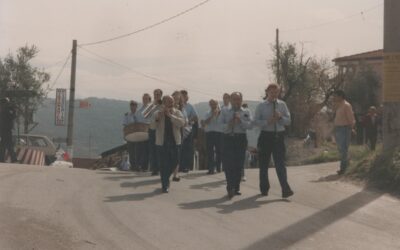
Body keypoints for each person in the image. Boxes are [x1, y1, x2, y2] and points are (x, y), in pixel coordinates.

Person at [254, 83, 293, 198]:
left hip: (278, 136)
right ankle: (264, 188)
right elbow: (256, 121)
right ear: (267, 92)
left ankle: (285, 189)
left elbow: (289, 121)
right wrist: (267, 122)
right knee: (264, 164)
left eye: (276, 92)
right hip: (266, 136)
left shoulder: (282, 104)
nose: (274, 94)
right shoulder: (261, 106)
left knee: (280, 163)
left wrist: (280, 117)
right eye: (272, 92)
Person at [220, 92, 252, 199]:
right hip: (228, 138)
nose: (236, 102)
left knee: (239, 164)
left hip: (240, 139)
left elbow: (250, 125)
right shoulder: (224, 111)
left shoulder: (246, 111)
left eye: (238, 99)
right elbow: (221, 127)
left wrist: (240, 121)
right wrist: (230, 123)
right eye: (234, 99)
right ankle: (230, 187)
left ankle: (236, 187)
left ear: (241, 100)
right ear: (230, 100)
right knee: (229, 164)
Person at [153, 96, 185, 193]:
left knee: (175, 162)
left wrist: (171, 116)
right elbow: (152, 127)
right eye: (169, 102)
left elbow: (182, 123)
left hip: (175, 142)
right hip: (162, 143)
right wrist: (158, 118)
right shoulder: (157, 113)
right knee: (163, 165)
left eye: (172, 101)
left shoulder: (177, 112)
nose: (171, 103)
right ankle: (165, 184)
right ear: (164, 103)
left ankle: (166, 177)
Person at [332, 90, 355, 175]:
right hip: (338, 129)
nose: (334, 97)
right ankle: (347, 165)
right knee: (341, 149)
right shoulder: (339, 106)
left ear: (341, 96)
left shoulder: (346, 105)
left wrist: (351, 129)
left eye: (336, 96)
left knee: (343, 149)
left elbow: (351, 119)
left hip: (344, 129)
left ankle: (343, 168)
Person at [180, 90, 198, 173]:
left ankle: (186, 166)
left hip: (188, 130)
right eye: (182, 96)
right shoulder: (177, 106)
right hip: (178, 129)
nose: (184, 97)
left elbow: (196, 117)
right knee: (180, 148)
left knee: (187, 149)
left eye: (185, 96)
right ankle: (179, 166)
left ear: (187, 97)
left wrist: (188, 121)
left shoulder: (190, 106)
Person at [171, 91, 188, 182]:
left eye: (178, 99)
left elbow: (186, 121)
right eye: (174, 98)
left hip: (179, 131)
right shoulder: (169, 107)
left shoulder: (182, 109)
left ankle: (175, 174)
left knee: (177, 154)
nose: (176, 100)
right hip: (169, 132)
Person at [203, 99, 223, 174]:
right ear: (209, 105)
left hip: (219, 133)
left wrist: (218, 114)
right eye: (211, 104)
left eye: (214, 104)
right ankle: (211, 168)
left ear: (217, 104)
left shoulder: (222, 113)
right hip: (210, 133)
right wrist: (212, 116)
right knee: (210, 151)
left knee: (219, 151)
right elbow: (205, 123)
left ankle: (218, 167)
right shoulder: (207, 113)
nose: (213, 106)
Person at [148, 89, 163, 176]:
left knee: (159, 149)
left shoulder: (163, 105)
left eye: (158, 94)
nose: (156, 96)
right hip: (152, 129)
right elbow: (145, 116)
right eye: (155, 94)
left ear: (161, 95)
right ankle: (154, 169)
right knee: (152, 149)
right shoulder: (151, 105)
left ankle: (160, 168)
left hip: (160, 130)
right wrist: (153, 105)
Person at [135, 93, 152, 171]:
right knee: (139, 149)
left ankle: (145, 166)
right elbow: (137, 121)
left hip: (148, 131)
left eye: (146, 99)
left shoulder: (152, 109)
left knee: (147, 150)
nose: (144, 100)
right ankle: (139, 165)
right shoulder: (139, 110)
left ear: (149, 100)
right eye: (143, 98)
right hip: (140, 132)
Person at [0, 98, 18, 163]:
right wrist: (14, 109)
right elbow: (13, 116)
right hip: (7, 130)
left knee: (3, 145)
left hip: (3, 130)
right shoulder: (5, 110)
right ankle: (13, 159)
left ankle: (1, 159)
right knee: (9, 144)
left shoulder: (2, 110)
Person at [123, 100, 138, 171]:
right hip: (130, 135)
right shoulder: (127, 115)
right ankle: (133, 166)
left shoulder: (139, 114)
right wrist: (124, 135)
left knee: (138, 151)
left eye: (134, 106)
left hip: (138, 136)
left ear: (136, 107)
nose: (132, 108)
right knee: (131, 151)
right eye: (131, 106)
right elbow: (125, 126)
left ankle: (138, 165)